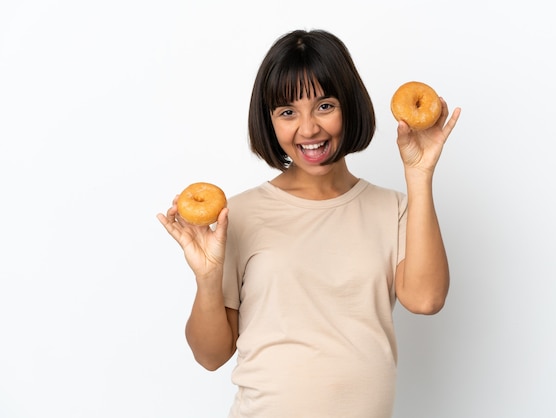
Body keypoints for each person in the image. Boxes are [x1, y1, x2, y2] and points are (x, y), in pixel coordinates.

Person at [157, 29, 461, 418]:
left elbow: (426, 299)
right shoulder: (238, 215)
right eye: (287, 112)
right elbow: (210, 356)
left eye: (325, 106)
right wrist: (207, 278)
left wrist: (419, 174)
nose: (308, 129)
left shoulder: (395, 209)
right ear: (269, 122)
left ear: (349, 106)